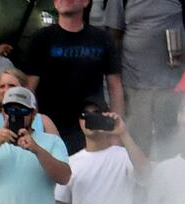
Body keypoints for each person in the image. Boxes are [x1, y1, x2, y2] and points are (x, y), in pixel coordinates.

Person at [19, 0, 126, 154]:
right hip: (51, 130)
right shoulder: (41, 38)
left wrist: (116, 133)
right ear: (55, 3)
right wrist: (32, 128)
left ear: (86, 2)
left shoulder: (102, 39)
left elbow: (115, 88)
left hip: (93, 129)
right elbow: (29, 89)